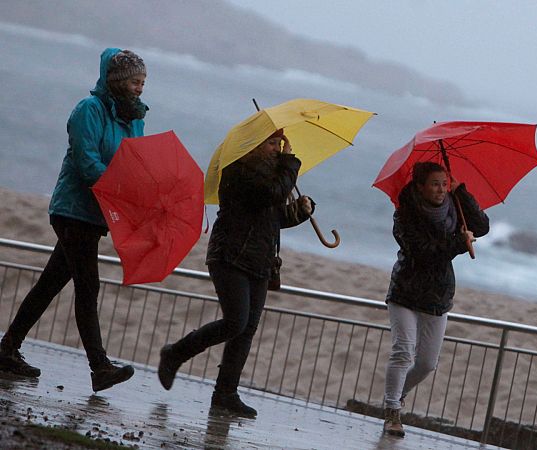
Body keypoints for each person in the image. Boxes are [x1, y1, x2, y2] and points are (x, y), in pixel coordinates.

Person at [0, 48, 147, 392]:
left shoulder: (134, 118)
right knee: (88, 287)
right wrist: (120, 188)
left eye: (143, 82)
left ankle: (7, 349)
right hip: (72, 210)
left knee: (49, 284)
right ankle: (99, 368)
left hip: (96, 216)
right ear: (119, 81)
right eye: (136, 81)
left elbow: (134, 163)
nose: (141, 88)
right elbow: (87, 161)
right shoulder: (89, 110)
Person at [157, 129, 313, 418]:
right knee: (235, 322)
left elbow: (271, 219)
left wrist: (299, 212)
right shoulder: (238, 170)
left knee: (246, 329)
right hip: (231, 255)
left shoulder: (272, 174)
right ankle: (176, 353)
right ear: (253, 144)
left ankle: (225, 393)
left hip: (260, 259)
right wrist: (290, 165)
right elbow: (267, 194)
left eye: (279, 143)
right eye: (270, 142)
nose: (277, 148)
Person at [382, 161, 490, 437]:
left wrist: (461, 191)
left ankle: (396, 396)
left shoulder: (454, 206)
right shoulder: (405, 214)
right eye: (434, 184)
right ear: (420, 186)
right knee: (403, 351)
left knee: (428, 363)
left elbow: (482, 226)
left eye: (444, 183)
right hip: (406, 291)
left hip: (438, 293)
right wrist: (458, 244)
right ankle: (392, 410)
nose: (441, 189)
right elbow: (424, 251)